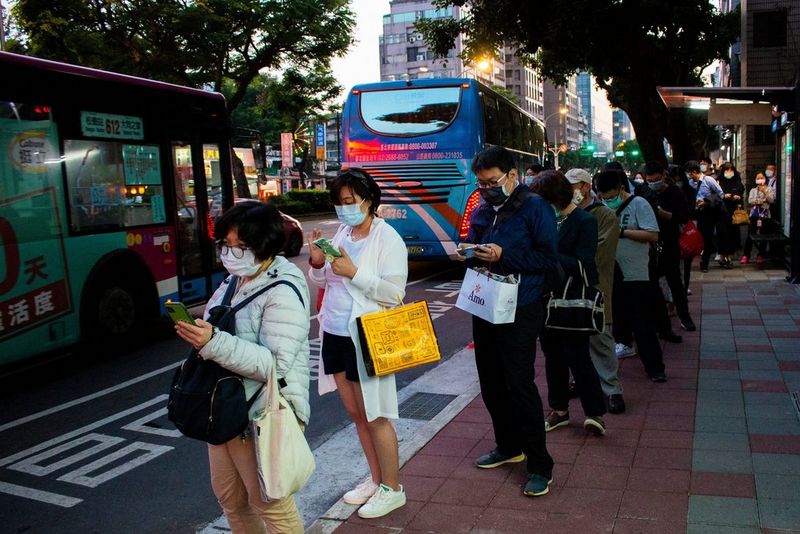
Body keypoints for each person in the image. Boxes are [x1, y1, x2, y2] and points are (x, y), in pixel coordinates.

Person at [175, 201, 310, 534]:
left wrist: (213, 342)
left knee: (270, 504)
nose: (230, 253)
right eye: (226, 245)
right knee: (231, 500)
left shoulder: (284, 290)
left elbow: (275, 364)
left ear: (264, 246)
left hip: (259, 414)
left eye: (241, 247)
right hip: (223, 406)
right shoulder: (233, 280)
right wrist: (201, 335)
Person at [455, 145, 558, 497]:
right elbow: (477, 245)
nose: (486, 189)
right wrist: (469, 252)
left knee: (519, 383)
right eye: (481, 183)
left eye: (492, 182)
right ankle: (507, 445)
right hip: (486, 302)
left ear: (513, 176)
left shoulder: (535, 207)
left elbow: (547, 259)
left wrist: (506, 255)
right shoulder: (484, 208)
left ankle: (540, 465)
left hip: (522, 305)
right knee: (491, 381)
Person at [308, 169, 408, 519]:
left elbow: (394, 294)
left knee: (376, 415)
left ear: (369, 200)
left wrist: (353, 272)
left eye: (350, 202)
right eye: (339, 203)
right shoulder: (343, 233)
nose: (344, 209)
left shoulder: (388, 238)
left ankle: (392, 488)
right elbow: (325, 281)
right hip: (335, 331)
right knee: (356, 414)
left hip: (367, 335)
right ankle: (376, 478)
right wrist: (318, 264)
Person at [531, 170, 608, 434]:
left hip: (572, 299)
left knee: (578, 355)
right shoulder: (544, 220)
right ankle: (559, 410)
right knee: (552, 356)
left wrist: (548, 254)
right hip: (545, 298)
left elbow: (584, 264)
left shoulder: (584, 221)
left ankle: (595, 412)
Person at [595, 171, 667, 383]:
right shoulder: (599, 206)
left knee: (642, 321)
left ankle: (655, 367)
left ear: (621, 188)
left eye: (611, 196)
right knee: (614, 319)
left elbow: (652, 234)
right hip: (608, 272)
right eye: (603, 197)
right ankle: (620, 349)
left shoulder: (639, 204)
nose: (608, 200)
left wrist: (622, 232)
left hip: (635, 272)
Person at [566, 168, 625, 413]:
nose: (569, 191)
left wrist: (567, 258)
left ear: (586, 187)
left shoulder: (605, 215)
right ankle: (581, 381)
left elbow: (599, 254)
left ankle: (612, 390)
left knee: (600, 338)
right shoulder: (565, 213)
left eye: (573, 186)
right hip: (570, 286)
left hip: (596, 285)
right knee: (574, 338)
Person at [645, 161, 696, 332]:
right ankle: (657, 316)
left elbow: (683, 217)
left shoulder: (675, 193)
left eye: (656, 179)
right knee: (651, 282)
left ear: (664, 175)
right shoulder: (645, 193)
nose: (653, 183)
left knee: (675, 282)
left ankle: (685, 317)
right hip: (651, 245)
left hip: (669, 243)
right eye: (649, 180)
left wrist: (661, 212)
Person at [685, 160, 725, 273]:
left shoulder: (708, 180)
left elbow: (720, 194)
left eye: (689, 173)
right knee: (694, 237)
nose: (688, 175)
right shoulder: (690, 183)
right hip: (695, 213)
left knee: (707, 239)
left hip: (708, 213)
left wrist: (706, 202)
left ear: (694, 172)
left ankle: (705, 262)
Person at [741, 172, 776, 264]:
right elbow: (750, 200)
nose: (759, 179)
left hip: (765, 215)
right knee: (750, 234)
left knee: (763, 235)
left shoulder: (770, 189)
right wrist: (761, 200)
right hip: (754, 215)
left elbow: (771, 200)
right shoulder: (753, 190)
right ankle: (746, 255)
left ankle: (760, 255)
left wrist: (764, 192)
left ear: (765, 179)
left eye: (761, 177)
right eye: (758, 178)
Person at [717, 162, 745, 265]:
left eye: (731, 170)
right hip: (722, 212)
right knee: (722, 234)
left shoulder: (737, 182)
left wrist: (738, 197)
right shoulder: (719, 182)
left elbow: (741, 194)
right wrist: (724, 196)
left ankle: (729, 256)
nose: (729, 172)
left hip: (734, 212)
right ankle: (722, 256)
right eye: (726, 170)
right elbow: (715, 195)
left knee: (732, 234)